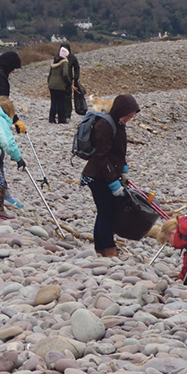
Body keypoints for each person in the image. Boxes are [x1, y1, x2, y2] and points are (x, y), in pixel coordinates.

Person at [81, 94, 141, 257]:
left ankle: (100, 248)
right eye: (127, 115)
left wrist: (124, 170)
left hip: (108, 173)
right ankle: (109, 249)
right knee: (107, 212)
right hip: (97, 176)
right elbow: (102, 156)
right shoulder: (105, 126)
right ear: (120, 110)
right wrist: (113, 182)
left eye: (131, 116)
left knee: (104, 212)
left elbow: (118, 152)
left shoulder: (119, 124)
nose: (129, 119)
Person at [47, 46, 71, 124]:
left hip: (51, 85)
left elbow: (50, 74)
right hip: (60, 86)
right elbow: (65, 74)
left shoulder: (54, 61)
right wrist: (68, 82)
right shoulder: (64, 62)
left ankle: (51, 119)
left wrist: (49, 82)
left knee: (53, 102)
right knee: (61, 102)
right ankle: (61, 119)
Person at [60, 43, 80, 122]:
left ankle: (67, 115)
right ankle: (60, 113)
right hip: (59, 81)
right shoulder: (58, 57)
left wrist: (76, 76)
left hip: (69, 81)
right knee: (60, 98)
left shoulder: (72, 58)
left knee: (68, 98)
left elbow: (77, 67)